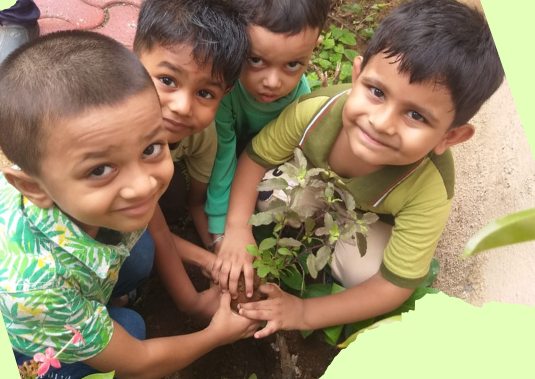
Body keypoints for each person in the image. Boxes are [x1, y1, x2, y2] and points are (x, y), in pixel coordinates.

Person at [220, 0, 505, 337]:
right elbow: (257, 158)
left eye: (416, 115)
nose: (381, 123)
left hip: (366, 226)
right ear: (356, 77)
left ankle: (325, 267)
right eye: (376, 92)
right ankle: (308, 241)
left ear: (451, 136)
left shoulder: (431, 188)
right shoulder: (315, 111)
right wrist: (237, 228)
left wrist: (303, 312)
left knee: (368, 272)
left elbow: (392, 285)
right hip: (313, 190)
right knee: (274, 195)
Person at [0, 31, 258, 379]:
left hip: (68, 282)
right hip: (29, 344)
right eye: (100, 169)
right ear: (33, 187)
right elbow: (139, 362)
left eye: (152, 148)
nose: (143, 186)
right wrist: (216, 335)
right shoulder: (39, 290)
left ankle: (95, 309)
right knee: (131, 328)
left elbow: (159, 229)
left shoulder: (97, 195)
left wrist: (207, 261)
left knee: (141, 252)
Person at [207, 0, 331, 291]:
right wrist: (221, 234)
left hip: (268, 164)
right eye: (255, 60)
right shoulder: (225, 91)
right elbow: (224, 157)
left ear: (314, 48)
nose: (273, 82)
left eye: (292, 65)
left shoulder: (302, 103)